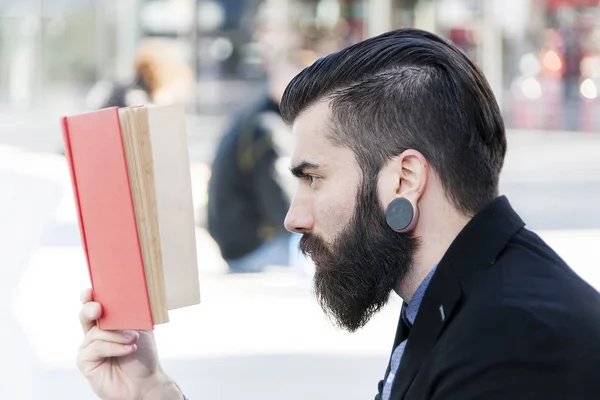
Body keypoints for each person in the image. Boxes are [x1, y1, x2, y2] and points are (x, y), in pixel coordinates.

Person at [76, 28, 600, 399]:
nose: (293, 217)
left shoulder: (514, 344)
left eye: (312, 178)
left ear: (403, 180)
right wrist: (150, 393)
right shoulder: (465, 299)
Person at [206, 49, 317, 274]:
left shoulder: (255, 115)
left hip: (234, 243)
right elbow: (280, 199)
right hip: (252, 248)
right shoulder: (267, 127)